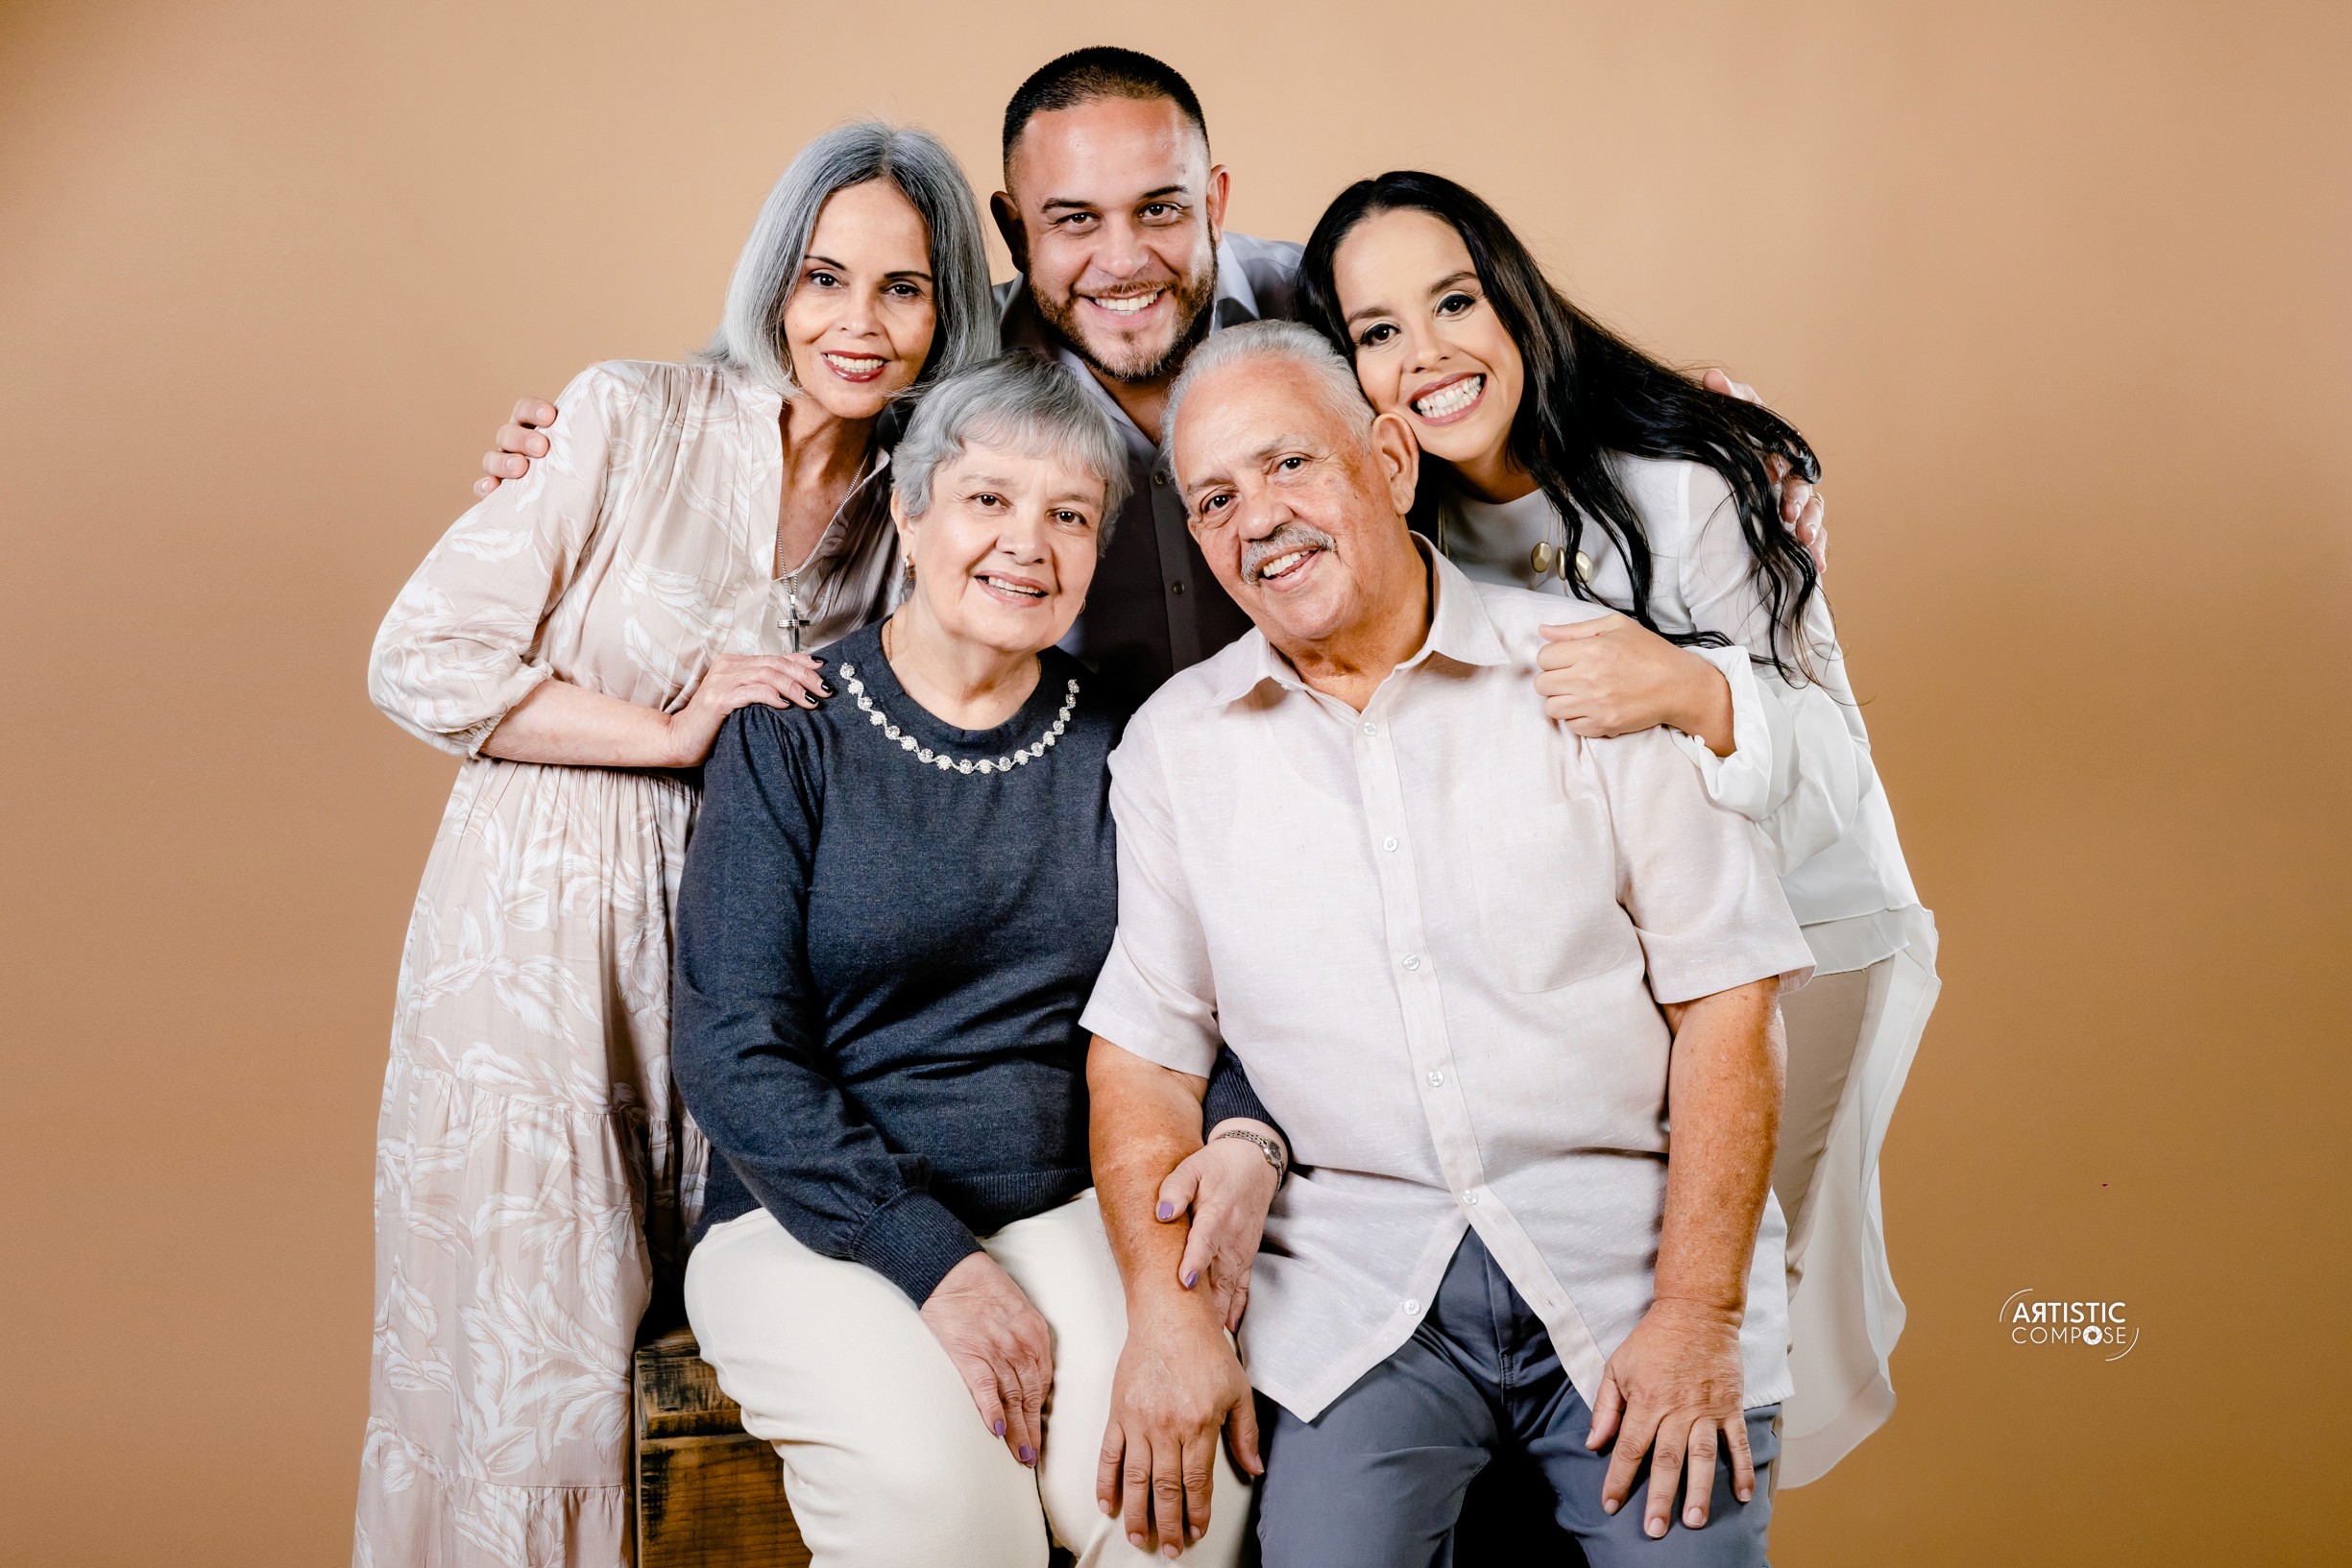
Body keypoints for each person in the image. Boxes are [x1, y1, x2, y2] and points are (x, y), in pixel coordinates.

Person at [357, 122, 1002, 1567]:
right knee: (527, 1393)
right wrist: (668, 729)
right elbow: (421, 659)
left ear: (950, 310)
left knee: (682, 1387)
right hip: (536, 958)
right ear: (775, 283)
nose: (857, 322)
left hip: (734, 974)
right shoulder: (624, 415)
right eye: (825, 278)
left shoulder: (920, 509)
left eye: (903, 290)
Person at [1083, 321, 1816, 1567]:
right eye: (1214, 497)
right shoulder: (1173, 750)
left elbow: (1728, 1006)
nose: (1256, 518)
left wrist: (1697, 1312)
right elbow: (1144, 1056)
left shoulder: (1595, 673)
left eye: (1288, 465)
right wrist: (1164, 1312)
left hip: (1624, 1258)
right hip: (1364, 1293)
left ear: (1388, 456)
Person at [473, 49, 1830, 703]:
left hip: (1360, 790)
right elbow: (805, 358)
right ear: (1011, 232)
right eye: (1072, 221)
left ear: (1217, 197)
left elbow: (1483, 352)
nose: (1123, 261)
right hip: (1099, 841)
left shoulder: (1325, 302)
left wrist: (1678, 411)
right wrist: (585, 441)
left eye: (1162, 210)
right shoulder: (957, 372)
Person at [1299, 172, 1939, 1481]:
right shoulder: (1402, 533)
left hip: (1800, 945)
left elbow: (1829, 762)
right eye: (1375, 332)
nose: (1424, 355)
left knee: (1720, 1321)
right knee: (1595, 1321)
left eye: (1454, 301)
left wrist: (1693, 688)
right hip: (1619, 983)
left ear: (1515, 301)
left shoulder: (1689, 476)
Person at [670, 352, 1276, 1568]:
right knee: (946, 1512)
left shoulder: (1130, 741)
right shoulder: (792, 733)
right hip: (814, 1225)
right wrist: (929, 1256)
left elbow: (1225, 992)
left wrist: (1240, 1131)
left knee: (1168, 1506)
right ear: (907, 509)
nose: (1025, 544)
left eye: (1069, 515)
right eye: (988, 499)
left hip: (1072, 1206)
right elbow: (731, 1047)